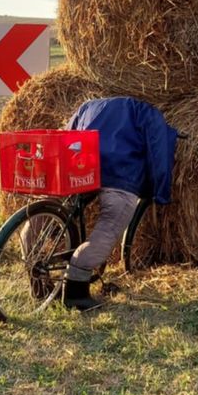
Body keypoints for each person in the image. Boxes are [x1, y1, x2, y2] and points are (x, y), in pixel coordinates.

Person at [63, 96, 178, 311]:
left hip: (83, 170)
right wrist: (160, 192)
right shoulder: (145, 111)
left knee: (61, 210)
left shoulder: (89, 106)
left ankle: (39, 280)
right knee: (111, 223)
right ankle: (76, 289)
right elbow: (158, 151)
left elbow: (68, 137)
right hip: (120, 176)